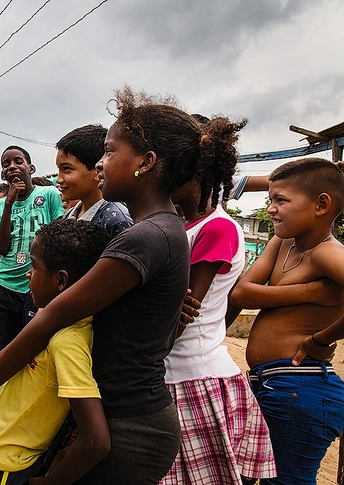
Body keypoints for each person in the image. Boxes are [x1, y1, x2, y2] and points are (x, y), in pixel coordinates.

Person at [0, 87, 247, 484]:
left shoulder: (145, 237)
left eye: (110, 152)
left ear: (146, 163)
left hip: (132, 427)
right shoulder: (166, 230)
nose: (99, 163)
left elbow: (54, 314)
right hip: (128, 413)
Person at [162, 116, 277, 485]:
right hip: (175, 373)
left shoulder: (217, 227)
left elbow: (183, 311)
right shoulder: (183, 224)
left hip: (191, 379)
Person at [0, 219, 111, 485]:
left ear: (60, 281)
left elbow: (96, 441)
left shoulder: (68, 343)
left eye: (33, 266)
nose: (27, 274)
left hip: (5, 465)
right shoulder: (52, 317)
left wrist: (53, 482)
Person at [230, 157, 344, 485]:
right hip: (275, 385)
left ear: (321, 204)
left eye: (281, 200)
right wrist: (310, 292)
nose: (271, 209)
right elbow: (242, 294)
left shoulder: (327, 253)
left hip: (301, 387)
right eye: (270, 200)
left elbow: (251, 293)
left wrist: (320, 340)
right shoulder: (283, 243)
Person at [0, 145, 64, 352]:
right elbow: (2, 248)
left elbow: (58, 237)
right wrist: (8, 204)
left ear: (31, 168)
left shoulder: (49, 194)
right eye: (6, 165)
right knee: (4, 346)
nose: (12, 167)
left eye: (18, 161)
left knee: (34, 348)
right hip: (5, 285)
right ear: (2, 174)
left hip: (38, 285)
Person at [56, 124, 133, 236]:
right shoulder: (67, 218)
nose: (58, 179)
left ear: (98, 171)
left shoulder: (116, 220)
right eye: (58, 169)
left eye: (66, 169)